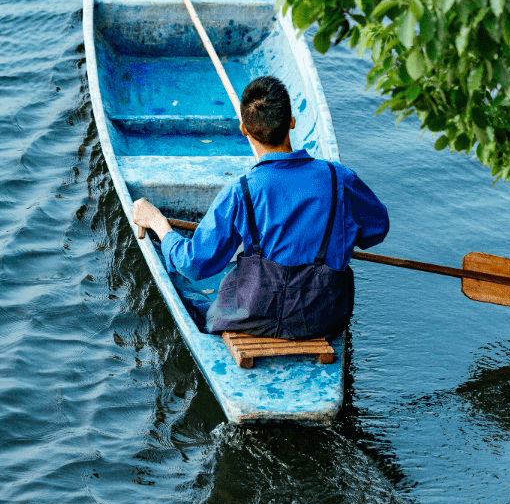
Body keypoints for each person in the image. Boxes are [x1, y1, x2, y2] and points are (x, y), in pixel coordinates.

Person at [132, 75, 389, 340]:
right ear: (291, 121)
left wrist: (158, 222)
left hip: (252, 319)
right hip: (322, 321)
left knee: (183, 286)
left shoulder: (241, 191)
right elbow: (376, 231)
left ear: (244, 129)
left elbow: (195, 265)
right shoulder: (340, 180)